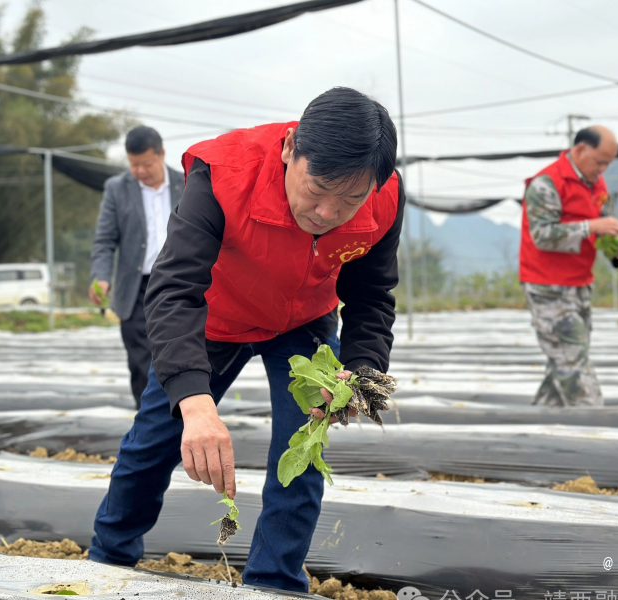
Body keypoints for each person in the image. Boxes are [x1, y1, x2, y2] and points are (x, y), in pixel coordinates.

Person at [89, 87, 405, 593]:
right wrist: (194, 402)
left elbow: (371, 294)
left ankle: (273, 582)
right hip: (217, 319)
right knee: (153, 442)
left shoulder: (384, 195)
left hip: (304, 321)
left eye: (349, 200)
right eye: (317, 188)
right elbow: (173, 288)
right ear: (289, 150)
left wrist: (362, 369)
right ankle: (107, 558)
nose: (326, 212)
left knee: (301, 450)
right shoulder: (222, 174)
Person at [519, 125, 618, 407]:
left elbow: (602, 234)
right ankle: (597, 430)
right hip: (548, 288)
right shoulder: (546, 183)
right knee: (573, 367)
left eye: (608, 163)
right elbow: (542, 236)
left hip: (580, 284)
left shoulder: (596, 185)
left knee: (565, 361)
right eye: (600, 162)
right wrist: (591, 226)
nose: (604, 169)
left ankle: (535, 428)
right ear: (580, 149)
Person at [89, 126, 184, 409]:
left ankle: (181, 421)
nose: (140, 171)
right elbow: (105, 240)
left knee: (180, 357)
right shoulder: (117, 189)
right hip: (136, 289)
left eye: (147, 164)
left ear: (162, 155)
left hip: (179, 283)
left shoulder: (188, 183)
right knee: (141, 364)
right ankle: (148, 425)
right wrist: (101, 277)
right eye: (134, 165)